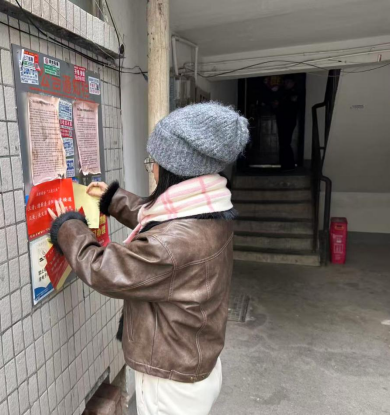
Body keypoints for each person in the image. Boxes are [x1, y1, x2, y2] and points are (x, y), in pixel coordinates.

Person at [48, 103, 249, 415]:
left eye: (153, 161)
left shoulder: (173, 243)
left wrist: (68, 227)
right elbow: (161, 218)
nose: (152, 168)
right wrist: (112, 199)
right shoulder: (212, 208)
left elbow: (103, 269)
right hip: (194, 362)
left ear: (174, 170)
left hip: (170, 383)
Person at [274, 76, 301, 171]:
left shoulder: (294, 93)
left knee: (285, 141)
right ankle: (285, 164)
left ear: (293, 83)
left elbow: (293, 105)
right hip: (282, 118)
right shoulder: (283, 92)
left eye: (288, 82)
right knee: (283, 141)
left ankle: (288, 164)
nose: (286, 83)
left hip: (289, 119)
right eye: (285, 82)